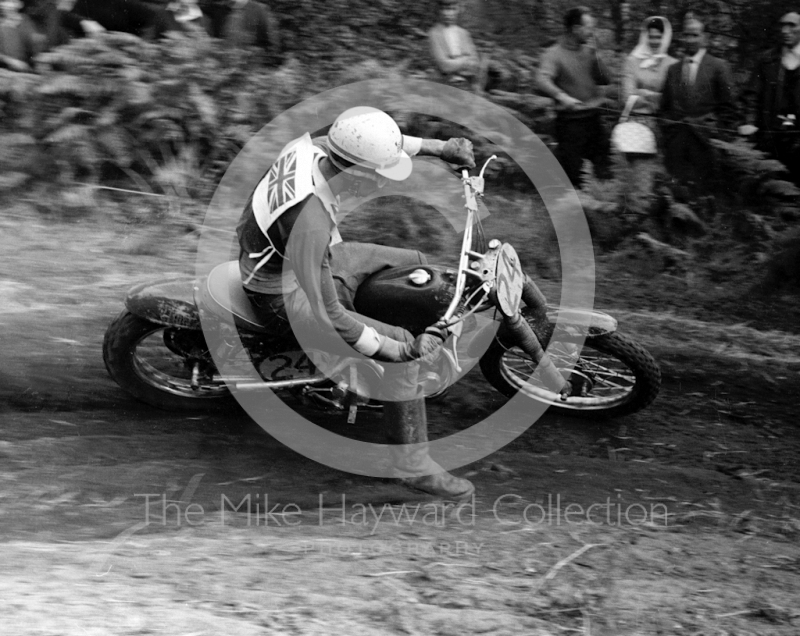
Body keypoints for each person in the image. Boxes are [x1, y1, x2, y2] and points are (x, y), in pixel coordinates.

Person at [236, 107, 477, 500]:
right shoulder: (308, 221)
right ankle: (412, 467)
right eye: (382, 175)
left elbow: (384, 147)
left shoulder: (320, 149)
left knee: (412, 262)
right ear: (359, 174)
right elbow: (328, 314)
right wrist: (398, 348)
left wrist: (441, 147)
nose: (386, 181)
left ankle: (382, 365)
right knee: (403, 347)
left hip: (300, 259)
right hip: (279, 290)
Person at [659, 17, 737, 197]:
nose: (690, 39)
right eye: (687, 35)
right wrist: (669, 132)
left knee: (703, 194)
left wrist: (717, 135)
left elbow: (729, 108)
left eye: (695, 35)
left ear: (705, 37)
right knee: (676, 193)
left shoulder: (718, 66)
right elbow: (664, 106)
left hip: (705, 142)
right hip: (676, 143)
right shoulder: (673, 69)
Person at [537, 6, 613, 188]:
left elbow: (605, 79)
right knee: (574, 173)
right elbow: (541, 78)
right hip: (570, 123)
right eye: (589, 28)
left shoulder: (589, 52)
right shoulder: (553, 54)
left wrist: (597, 57)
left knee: (603, 167)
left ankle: (600, 211)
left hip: (594, 119)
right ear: (575, 29)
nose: (592, 32)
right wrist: (562, 97)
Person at [746, 12, 800, 182]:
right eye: (783, 26)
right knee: (770, 185)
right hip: (771, 135)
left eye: (792, 26)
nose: (786, 30)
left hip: (798, 137)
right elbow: (751, 94)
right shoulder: (767, 59)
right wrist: (749, 121)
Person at [622, 16, 677, 123]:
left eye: (658, 37)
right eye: (651, 37)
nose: (654, 41)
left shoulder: (672, 64)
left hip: (662, 122)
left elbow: (672, 100)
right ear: (645, 37)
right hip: (636, 121)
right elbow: (627, 97)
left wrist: (642, 92)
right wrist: (657, 97)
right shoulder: (631, 61)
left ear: (665, 38)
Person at [428, 0, 483, 92]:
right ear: (439, 10)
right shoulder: (434, 33)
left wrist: (454, 62)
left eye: (453, 9)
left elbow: (474, 64)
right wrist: (465, 59)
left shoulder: (464, 34)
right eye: (445, 9)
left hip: (466, 86)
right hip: (442, 85)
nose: (448, 13)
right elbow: (444, 65)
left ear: (458, 10)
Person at [205, 0, 280, 65]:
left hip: (250, 72)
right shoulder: (219, 11)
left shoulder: (260, 11)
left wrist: (250, 55)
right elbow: (213, 42)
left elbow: (271, 47)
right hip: (223, 70)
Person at [0, 0, 38, 71]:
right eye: (3, 2)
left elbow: (35, 46)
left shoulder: (25, 20)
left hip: (25, 69)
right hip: (4, 70)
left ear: (20, 4)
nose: (5, 5)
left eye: (11, 2)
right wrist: (11, 61)